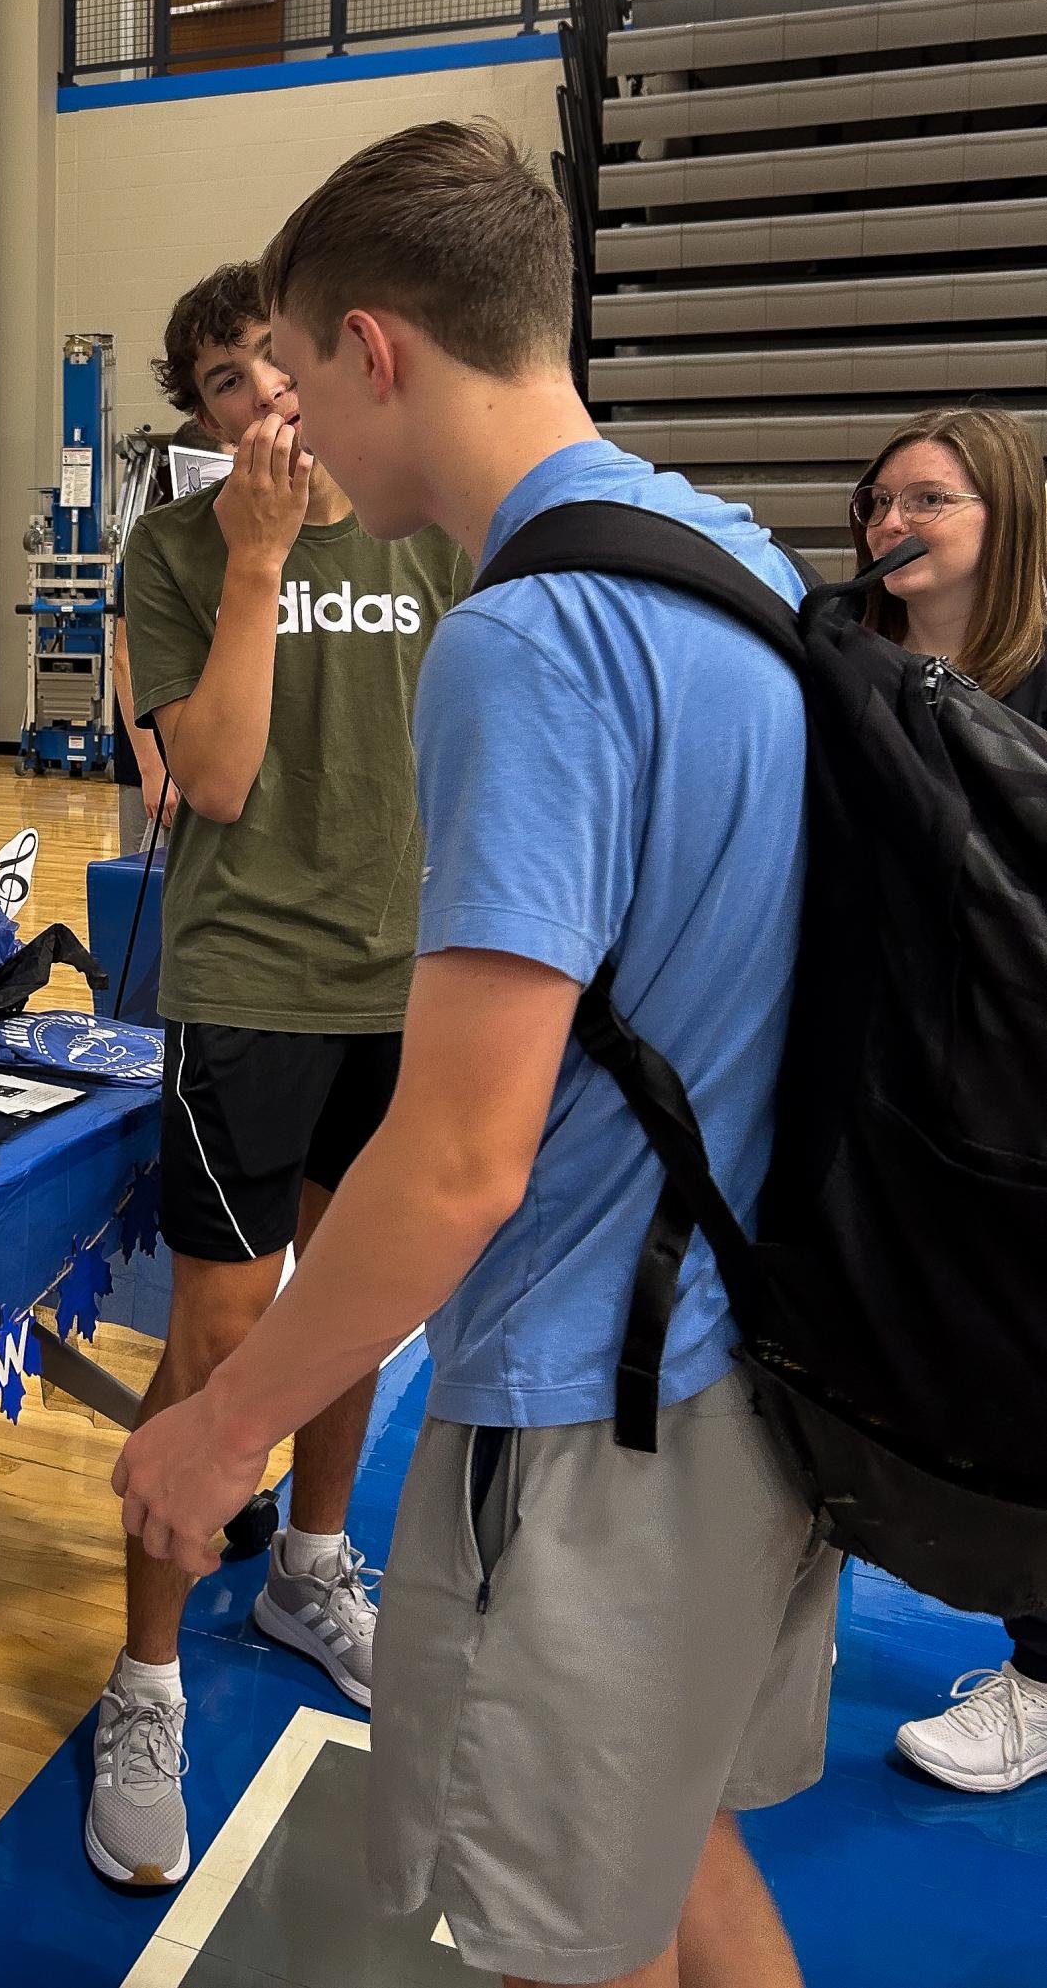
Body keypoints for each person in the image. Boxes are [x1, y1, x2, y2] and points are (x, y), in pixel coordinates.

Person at [116, 121, 837, 1987]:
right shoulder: (724, 549)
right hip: (758, 1352)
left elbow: (456, 1159)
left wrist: (218, 1424)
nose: (284, 440)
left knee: (546, 1936)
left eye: (289, 380)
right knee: (674, 1863)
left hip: (599, 1392)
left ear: (374, 350)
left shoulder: (525, 637)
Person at [91, 256, 473, 1888]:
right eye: (225, 388)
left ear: (328, 361)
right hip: (249, 988)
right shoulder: (172, 553)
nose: (262, 403)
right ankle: (145, 1678)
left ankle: (309, 1566)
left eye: (273, 365)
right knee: (224, 1337)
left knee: (358, 1304)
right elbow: (222, 780)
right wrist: (252, 567)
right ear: (203, 421)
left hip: (408, 980)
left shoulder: (426, 524)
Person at [848, 403, 1047, 1793]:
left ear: (1005, 522)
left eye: (929, 499)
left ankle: (1042, 1680)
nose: (891, 523)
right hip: (884, 1084)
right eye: (877, 501)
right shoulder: (848, 675)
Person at [111, 423, 223, 852]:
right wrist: (152, 767)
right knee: (146, 885)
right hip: (155, 754)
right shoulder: (156, 543)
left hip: (207, 751)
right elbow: (124, 658)